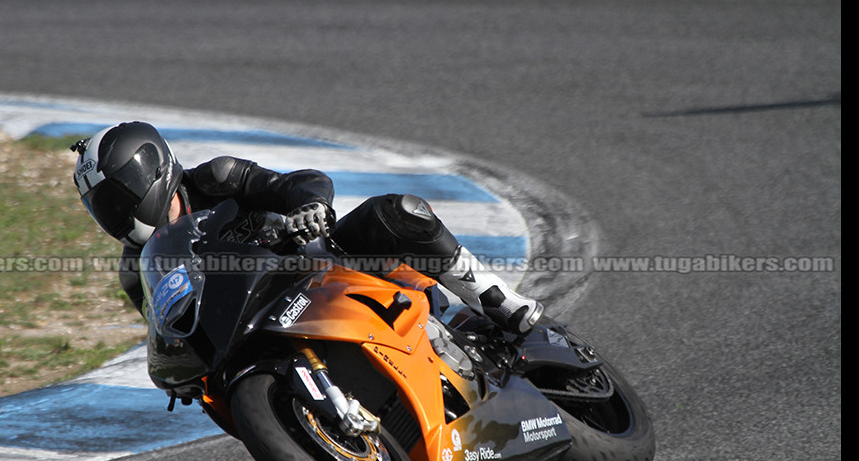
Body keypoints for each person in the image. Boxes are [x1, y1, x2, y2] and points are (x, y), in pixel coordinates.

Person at [72, 121, 543, 335]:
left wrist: (313, 206)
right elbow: (171, 335)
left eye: (117, 198)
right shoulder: (137, 271)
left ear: (149, 172)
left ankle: (493, 296)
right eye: (102, 207)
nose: (114, 215)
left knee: (398, 210)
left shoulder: (216, 178)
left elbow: (300, 182)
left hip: (313, 262)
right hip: (255, 326)